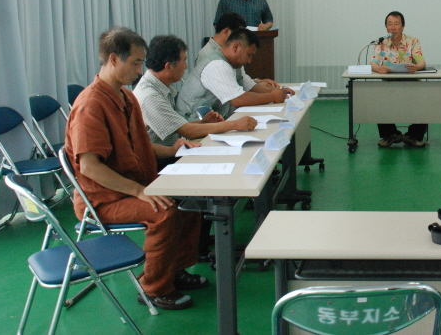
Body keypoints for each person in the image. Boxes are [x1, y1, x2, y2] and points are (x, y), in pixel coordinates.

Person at [64, 27, 207, 311]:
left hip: (132, 186)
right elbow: (90, 167)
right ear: (114, 59)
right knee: (164, 210)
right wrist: (140, 191)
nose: (140, 70)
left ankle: (174, 270)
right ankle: (153, 288)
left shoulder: (127, 98)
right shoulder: (91, 104)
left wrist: (177, 148)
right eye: (136, 63)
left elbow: (139, 145)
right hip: (103, 199)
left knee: (190, 199)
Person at [135, 35, 259, 146]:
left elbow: (178, 128)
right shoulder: (150, 96)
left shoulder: (159, 87)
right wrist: (234, 124)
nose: (186, 66)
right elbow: (188, 132)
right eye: (183, 61)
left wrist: (204, 123)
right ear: (168, 66)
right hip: (164, 162)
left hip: (177, 148)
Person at [176, 28, 293, 121]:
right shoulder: (216, 65)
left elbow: (250, 86)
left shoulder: (234, 64)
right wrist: (272, 97)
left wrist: (281, 92)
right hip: (194, 124)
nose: (250, 61)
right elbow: (238, 99)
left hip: (213, 121)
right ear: (236, 47)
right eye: (249, 55)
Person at [370, 11, 428, 148]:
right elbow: (373, 62)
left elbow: (422, 62)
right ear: (386, 27)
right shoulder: (381, 42)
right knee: (380, 101)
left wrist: (416, 67)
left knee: (424, 100)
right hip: (389, 83)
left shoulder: (413, 41)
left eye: (396, 24)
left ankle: (413, 136)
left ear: (403, 26)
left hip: (411, 82)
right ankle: (391, 135)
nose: (393, 27)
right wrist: (378, 69)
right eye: (390, 24)